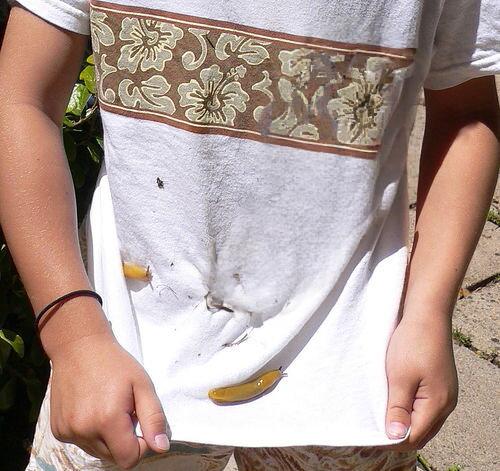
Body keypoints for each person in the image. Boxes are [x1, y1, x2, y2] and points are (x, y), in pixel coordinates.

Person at [0, 0, 498, 469]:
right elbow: (20, 98)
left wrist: (428, 312)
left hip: (353, 371)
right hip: (125, 362)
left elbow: (466, 111)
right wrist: (74, 335)